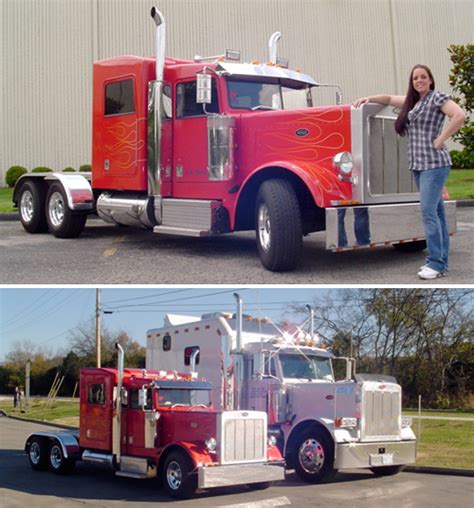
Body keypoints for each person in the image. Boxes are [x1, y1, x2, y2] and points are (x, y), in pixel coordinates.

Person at [352, 64, 466, 280]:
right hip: (419, 166)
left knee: (428, 212)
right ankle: (441, 262)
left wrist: (441, 139)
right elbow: (386, 98)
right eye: (415, 78)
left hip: (434, 165)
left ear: (431, 80)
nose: (419, 81)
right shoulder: (413, 102)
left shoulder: (437, 98)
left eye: (423, 77)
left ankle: (435, 263)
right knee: (438, 214)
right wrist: (367, 98)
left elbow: (459, 115)